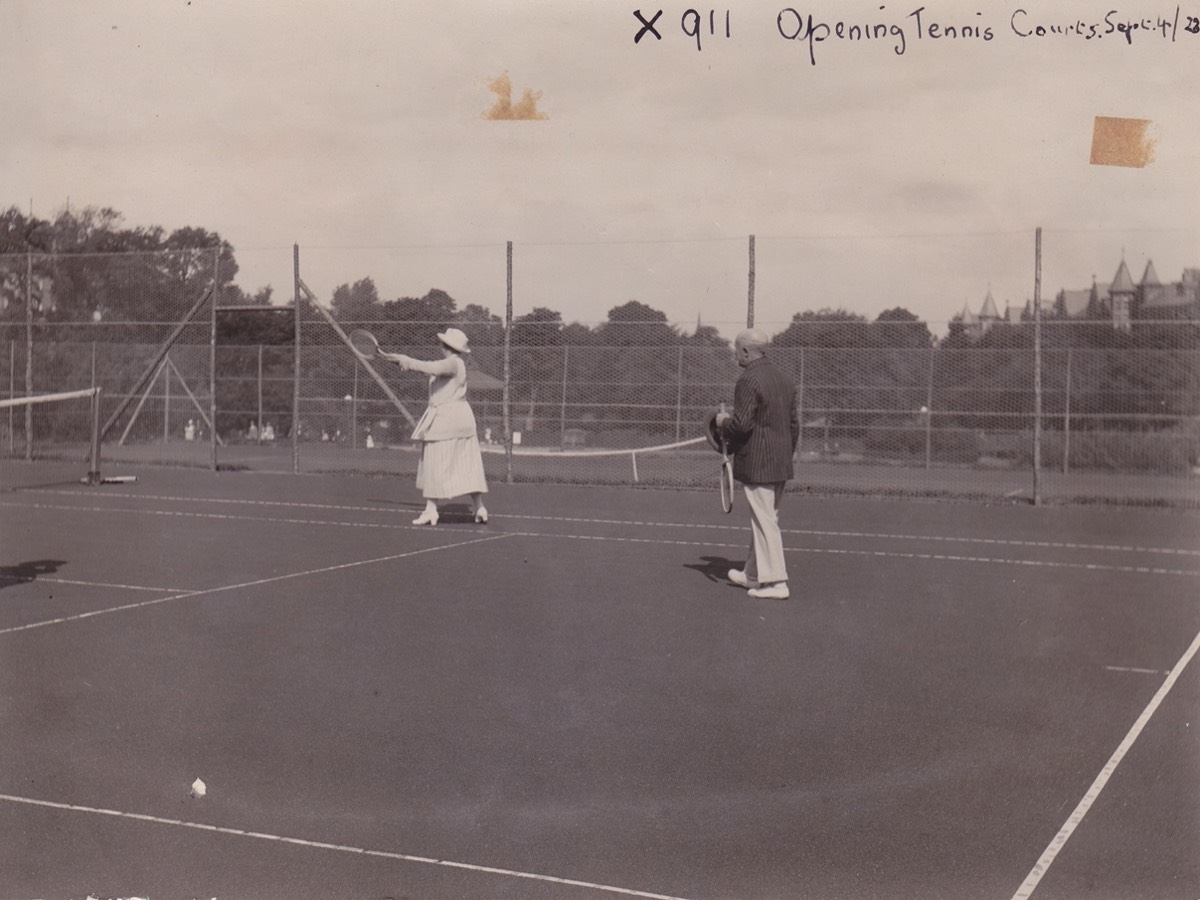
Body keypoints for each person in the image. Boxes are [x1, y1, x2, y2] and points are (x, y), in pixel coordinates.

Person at [715, 328, 799, 600]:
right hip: (780, 462)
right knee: (766, 518)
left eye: (737, 349)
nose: (735, 354)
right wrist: (785, 454)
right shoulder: (785, 379)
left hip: (758, 463)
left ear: (747, 351)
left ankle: (776, 583)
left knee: (764, 521)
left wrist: (721, 423)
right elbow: (793, 425)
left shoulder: (748, 380)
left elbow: (740, 426)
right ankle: (753, 574)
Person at [379, 327, 488, 525]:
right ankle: (479, 507)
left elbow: (430, 367)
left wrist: (406, 360)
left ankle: (431, 510)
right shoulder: (456, 363)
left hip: (447, 421)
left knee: (434, 464)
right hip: (460, 420)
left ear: (445, 346)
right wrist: (400, 361)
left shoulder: (453, 363)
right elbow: (428, 369)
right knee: (468, 465)